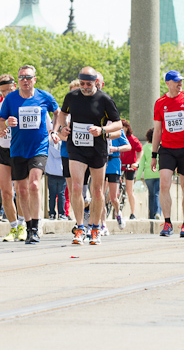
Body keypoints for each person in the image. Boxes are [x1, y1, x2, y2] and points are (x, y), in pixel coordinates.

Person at [54, 66, 121, 245]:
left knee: (97, 190)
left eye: (88, 84)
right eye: (82, 83)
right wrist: (63, 127)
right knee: (76, 187)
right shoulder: (72, 96)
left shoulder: (104, 99)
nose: (84, 87)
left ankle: (95, 227)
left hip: (97, 148)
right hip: (76, 147)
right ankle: (79, 227)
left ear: (96, 83)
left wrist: (102, 130)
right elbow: (63, 112)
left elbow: (118, 124)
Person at [0, 65, 60, 245]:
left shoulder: (44, 97)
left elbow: (58, 113)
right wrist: (7, 122)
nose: (25, 81)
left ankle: (35, 227)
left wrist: (54, 131)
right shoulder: (10, 99)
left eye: (28, 77)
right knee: (21, 190)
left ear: (35, 79)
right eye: (21, 78)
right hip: (17, 149)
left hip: (39, 148)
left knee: (34, 184)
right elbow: (0, 122)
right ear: (18, 80)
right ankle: (27, 224)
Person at [152, 70, 184, 238]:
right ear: (168, 83)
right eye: (176, 81)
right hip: (167, 149)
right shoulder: (160, 102)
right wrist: (154, 154)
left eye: (181, 80)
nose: (180, 83)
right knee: (164, 185)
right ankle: (167, 223)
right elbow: (157, 130)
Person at [0, 74, 25, 242]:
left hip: (20, 149)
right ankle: (13, 226)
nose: (5, 94)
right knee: (5, 191)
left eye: (8, 90)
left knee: (21, 190)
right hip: (2, 149)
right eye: (2, 91)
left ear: (15, 86)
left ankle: (24, 225)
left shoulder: (23, 101)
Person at [119, 119, 143, 220]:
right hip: (119, 165)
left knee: (129, 190)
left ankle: (133, 213)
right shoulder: (117, 138)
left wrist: (136, 162)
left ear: (126, 128)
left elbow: (140, 150)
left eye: (121, 127)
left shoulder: (132, 139)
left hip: (129, 166)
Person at [139, 128, 160, 219]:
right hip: (159, 173)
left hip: (148, 175)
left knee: (151, 195)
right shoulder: (160, 147)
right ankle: (157, 212)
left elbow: (141, 163)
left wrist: (138, 177)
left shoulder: (145, 147)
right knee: (157, 193)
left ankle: (151, 215)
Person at [46, 130, 66, 219]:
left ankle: (52, 213)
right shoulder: (64, 145)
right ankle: (61, 213)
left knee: (52, 195)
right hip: (62, 172)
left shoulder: (49, 143)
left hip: (50, 171)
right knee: (61, 194)